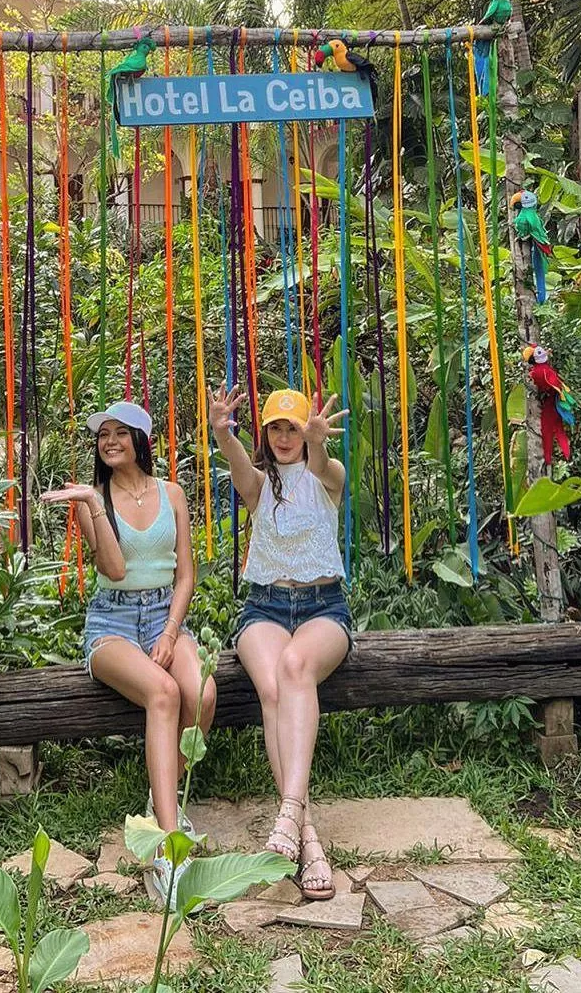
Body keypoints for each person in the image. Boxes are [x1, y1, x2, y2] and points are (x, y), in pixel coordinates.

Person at [40, 400, 215, 903]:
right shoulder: (90, 497)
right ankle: (166, 846)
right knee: (163, 693)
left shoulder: (173, 493)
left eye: (120, 433)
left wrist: (169, 633)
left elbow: (185, 574)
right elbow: (114, 570)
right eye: (102, 435)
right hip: (112, 621)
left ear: (141, 439)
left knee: (200, 694)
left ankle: (165, 797)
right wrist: (93, 507)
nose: (109, 441)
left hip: (166, 615)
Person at [208, 383, 351, 901]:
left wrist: (318, 441)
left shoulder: (325, 477)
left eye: (295, 426)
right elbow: (234, 456)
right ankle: (306, 835)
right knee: (273, 688)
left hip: (323, 608)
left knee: (294, 669)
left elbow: (324, 467)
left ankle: (290, 815)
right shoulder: (257, 484)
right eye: (277, 427)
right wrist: (222, 429)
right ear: (265, 434)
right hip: (263, 607)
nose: (287, 435)